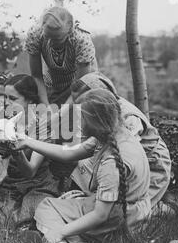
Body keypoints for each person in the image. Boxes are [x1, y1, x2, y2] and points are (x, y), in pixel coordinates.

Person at [15, 89, 151, 243]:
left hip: (120, 222)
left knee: (46, 207)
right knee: (67, 201)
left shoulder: (111, 162)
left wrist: (62, 231)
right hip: (134, 216)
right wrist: (28, 142)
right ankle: (63, 239)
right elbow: (69, 153)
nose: (79, 123)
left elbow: (100, 215)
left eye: (82, 118)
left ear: (95, 121)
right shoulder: (116, 135)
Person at [69, 72, 172, 209]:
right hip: (123, 165)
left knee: (127, 209)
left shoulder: (127, 117)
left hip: (149, 168)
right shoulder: (104, 113)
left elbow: (124, 154)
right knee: (80, 162)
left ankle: (160, 208)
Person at [0, 74, 60, 228]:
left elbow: (31, 171)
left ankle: (30, 227)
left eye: (13, 99)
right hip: (10, 183)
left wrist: (15, 152)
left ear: (30, 100)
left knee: (33, 211)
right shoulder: (2, 121)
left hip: (37, 183)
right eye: (5, 97)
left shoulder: (43, 126)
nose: (6, 103)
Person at [25, 6, 98, 106]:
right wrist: (45, 105)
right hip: (54, 81)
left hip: (82, 83)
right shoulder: (35, 34)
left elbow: (80, 85)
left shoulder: (81, 40)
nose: (50, 43)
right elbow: (37, 76)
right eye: (47, 37)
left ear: (69, 32)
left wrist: (61, 114)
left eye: (57, 39)